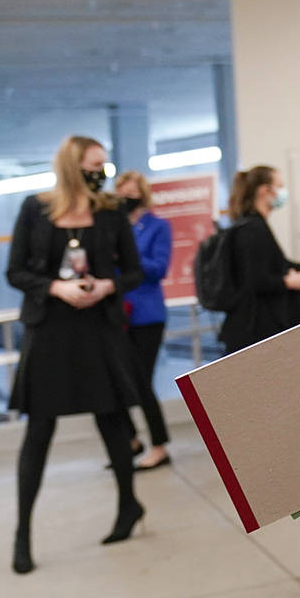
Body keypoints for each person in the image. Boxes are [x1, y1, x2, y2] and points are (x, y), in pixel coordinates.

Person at [6, 136, 148, 574]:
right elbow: (15, 271)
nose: (101, 172)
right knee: (39, 430)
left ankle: (129, 505)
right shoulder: (36, 208)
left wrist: (106, 286)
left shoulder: (110, 211)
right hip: (49, 327)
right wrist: (56, 287)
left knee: (112, 419)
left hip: (96, 328)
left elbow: (134, 270)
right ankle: (23, 532)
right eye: (94, 165)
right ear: (72, 166)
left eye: (104, 166)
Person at [218, 166, 300, 354]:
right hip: (256, 329)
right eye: (280, 186)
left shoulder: (252, 225)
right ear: (265, 190)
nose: (283, 192)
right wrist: (288, 281)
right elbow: (255, 279)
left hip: (255, 325)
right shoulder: (253, 229)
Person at [113, 170, 174, 471]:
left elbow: (159, 268)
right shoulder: (113, 228)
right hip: (117, 314)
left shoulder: (157, 227)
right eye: (120, 192)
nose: (125, 198)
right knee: (116, 382)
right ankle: (131, 440)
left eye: (131, 192)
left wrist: (123, 254)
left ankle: (159, 445)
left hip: (147, 315)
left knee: (141, 382)